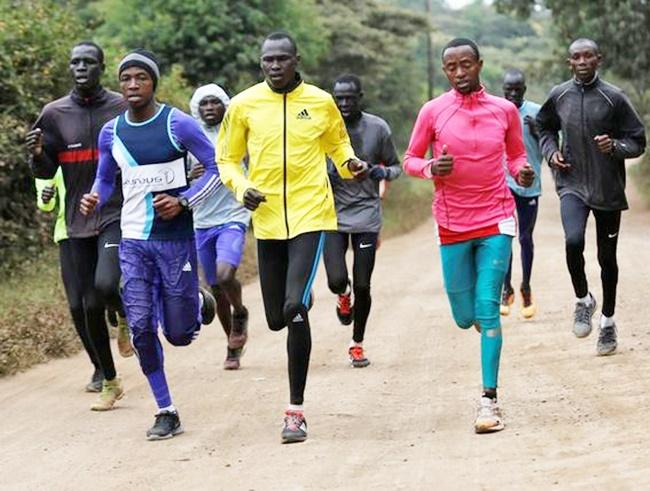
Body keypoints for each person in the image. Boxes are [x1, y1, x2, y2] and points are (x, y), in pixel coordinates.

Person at [217, 32, 368, 443]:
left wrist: (350, 162)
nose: (275, 66)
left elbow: (338, 145)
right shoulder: (244, 105)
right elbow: (227, 160)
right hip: (265, 219)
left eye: (282, 59)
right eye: (268, 60)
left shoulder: (320, 102)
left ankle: (295, 412)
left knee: (294, 311)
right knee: (275, 318)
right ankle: (296, 298)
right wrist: (239, 187)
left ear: (296, 60)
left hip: (310, 215)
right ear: (261, 62)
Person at [80, 49, 219, 440]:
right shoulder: (112, 132)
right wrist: (93, 195)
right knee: (140, 326)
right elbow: (106, 180)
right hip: (134, 241)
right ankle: (166, 410)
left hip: (175, 241)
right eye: (126, 79)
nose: (132, 85)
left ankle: (197, 301)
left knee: (177, 334)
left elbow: (217, 167)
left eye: (140, 77)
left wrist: (185, 200)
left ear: (153, 82)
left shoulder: (177, 124)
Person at [404, 38, 535, 433]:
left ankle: (489, 401)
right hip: (452, 224)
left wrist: (522, 171)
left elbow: (515, 155)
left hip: (496, 218)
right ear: (445, 71)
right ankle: (480, 319)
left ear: (479, 64)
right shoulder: (433, 112)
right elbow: (409, 160)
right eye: (452, 67)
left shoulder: (504, 110)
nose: (460, 73)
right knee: (464, 318)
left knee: (488, 309)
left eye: (466, 65)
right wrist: (431, 169)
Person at [26, 41, 131, 411]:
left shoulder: (122, 106)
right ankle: (108, 378)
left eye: (88, 62)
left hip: (116, 212)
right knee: (84, 306)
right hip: (75, 220)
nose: (81, 68)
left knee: (104, 286)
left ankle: (121, 312)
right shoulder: (54, 113)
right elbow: (45, 171)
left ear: (102, 66)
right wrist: (37, 156)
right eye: (75, 63)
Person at [537, 38, 646, 356]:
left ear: (599, 59)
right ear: (569, 62)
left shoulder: (614, 97)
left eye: (588, 56)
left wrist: (614, 147)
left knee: (606, 259)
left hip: (607, 188)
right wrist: (551, 151)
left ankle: (608, 323)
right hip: (571, 183)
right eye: (576, 57)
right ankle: (583, 300)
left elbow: (638, 141)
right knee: (572, 241)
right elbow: (543, 127)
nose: (582, 61)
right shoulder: (559, 95)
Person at [324, 74, 402, 367]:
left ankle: (357, 344)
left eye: (349, 98)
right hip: (330, 213)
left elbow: (396, 167)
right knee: (336, 280)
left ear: (360, 97)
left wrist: (374, 171)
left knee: (364, 284)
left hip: (367, 215)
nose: (344, 103)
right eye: (338, 98)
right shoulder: (324, 128)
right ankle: (342, 296)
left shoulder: (377, 128)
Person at [188, 84, 251, 370]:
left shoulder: (237, 134)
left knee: (226, 275)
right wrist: (191, 174)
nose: (210, 108)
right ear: (197, 109)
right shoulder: (190, 139)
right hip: (202, 221)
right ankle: (232, 344)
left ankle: (240, 313)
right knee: (214, 285)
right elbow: (177, 180)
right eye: (204, 104)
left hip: (233, 216)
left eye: (215, 102)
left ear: (225, 106)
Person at [35, 170, 107, 392]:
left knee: (104, 288)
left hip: (101, 227)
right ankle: (100, 367)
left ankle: (121, 315)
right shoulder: (47, 159)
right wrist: (46, 198)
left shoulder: (86, 144)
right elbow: (45, 203)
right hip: (68, 233)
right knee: (78, 305)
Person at [500, 69, 543, 319]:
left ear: (524, 89)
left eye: (518, 89)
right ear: (503, 89)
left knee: (525, 237)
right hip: (502, 184)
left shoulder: (536, 112)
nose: (513, 93)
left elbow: (552, 145)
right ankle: (507, 288)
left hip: (529, 184)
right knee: (505, 236)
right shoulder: (495, 111)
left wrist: (537, 131)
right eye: (509, 89)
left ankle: (526, 286)